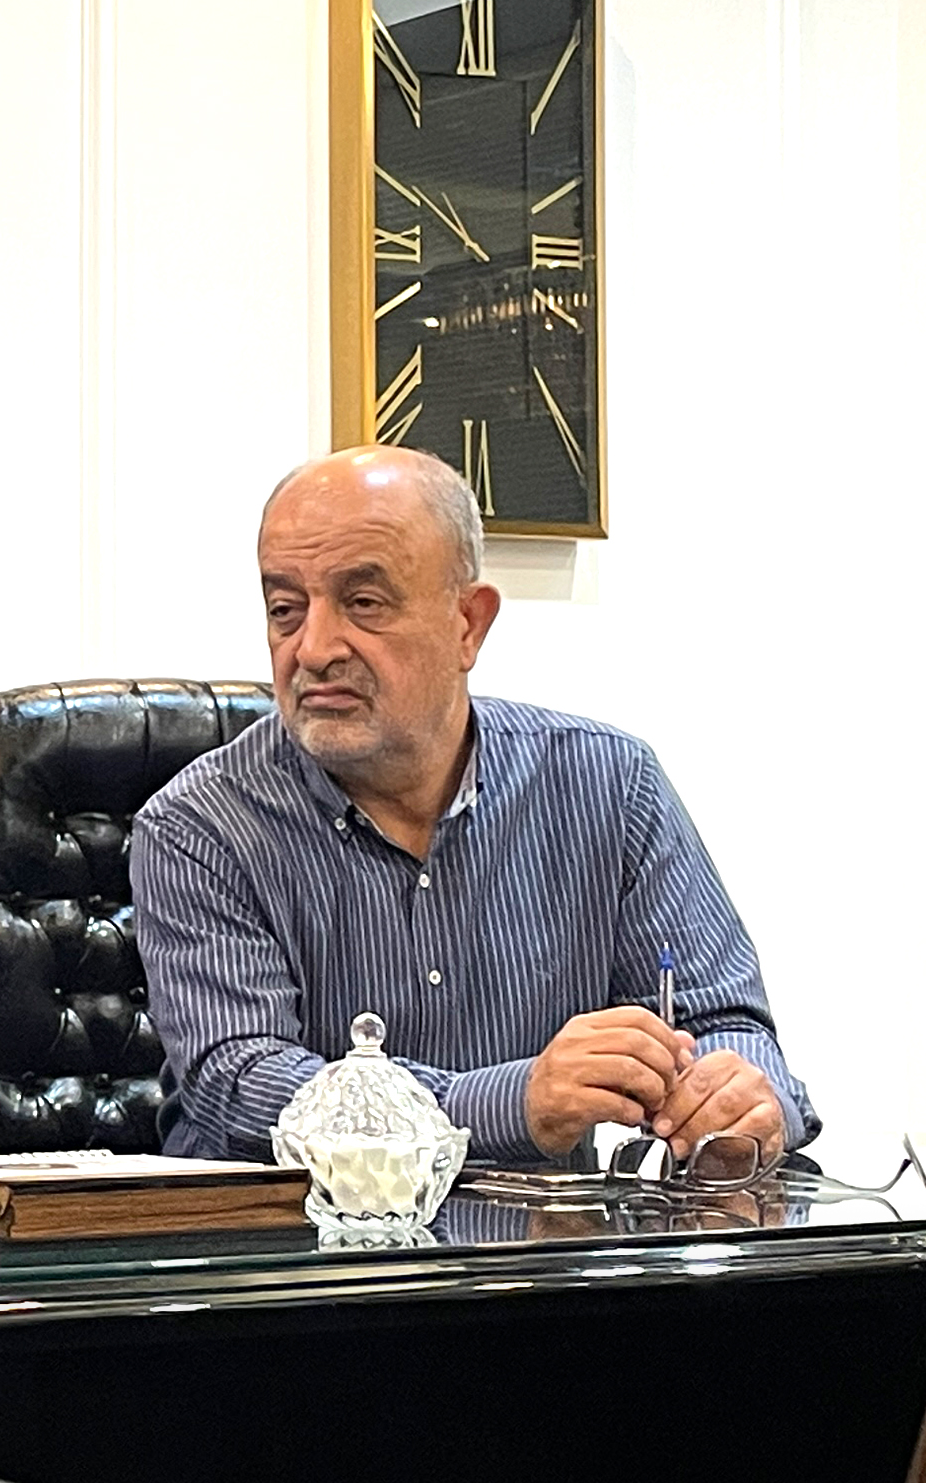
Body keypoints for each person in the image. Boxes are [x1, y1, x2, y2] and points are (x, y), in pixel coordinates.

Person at [132, 446, 812, 1167]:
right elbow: (243, 1085)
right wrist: (514, 1104)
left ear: (468, 624)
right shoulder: (198, 827)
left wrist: (737, 1099)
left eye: (363, 604)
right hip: (293, 1235)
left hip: (548, 1234)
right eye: (285, 610)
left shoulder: (610, 784)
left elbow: (723, 1021)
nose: (314, 649)